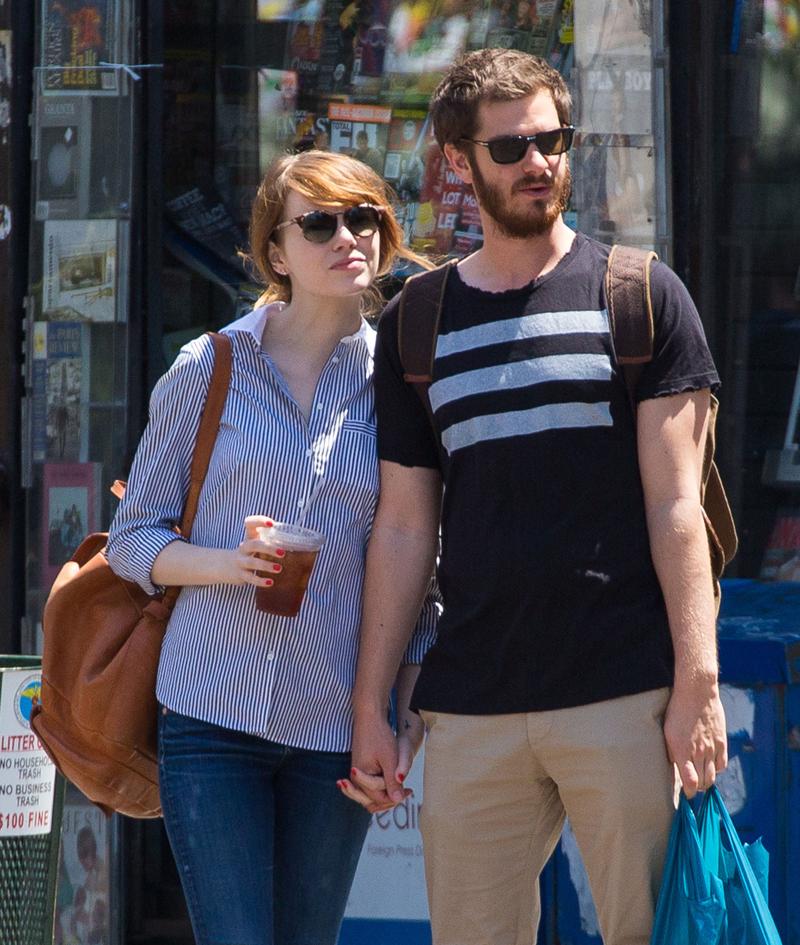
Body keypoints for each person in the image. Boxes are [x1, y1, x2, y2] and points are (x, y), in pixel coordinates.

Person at [341, 48, 728, 945]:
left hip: (625, 690)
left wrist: (697, 684)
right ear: (459, 162)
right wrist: (372, 705)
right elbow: (402, 529)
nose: (538, 163)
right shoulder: (417, 321)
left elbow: (679, 508)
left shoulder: (638, 295)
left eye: (552, 141)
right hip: (473, 700)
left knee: (660, 934)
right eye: (510, 148)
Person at [106, 149, 437, 945]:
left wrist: (406, 715)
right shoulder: (209, 366)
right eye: (319, 222)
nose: (345, 236)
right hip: (210, 712)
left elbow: (421, 570)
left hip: (333, 725)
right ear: (277, 254)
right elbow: (133, 537)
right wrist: (228, 563)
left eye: (363, 218)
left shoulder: (402, 384)